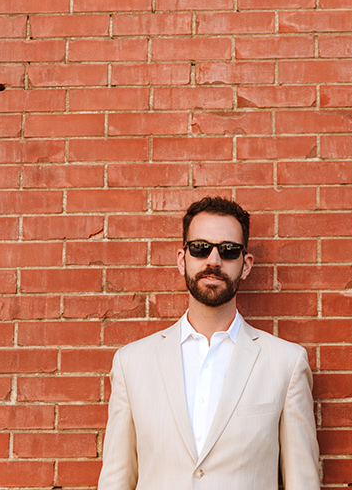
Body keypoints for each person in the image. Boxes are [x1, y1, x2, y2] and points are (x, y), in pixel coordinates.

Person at [97, 196, 320, 490]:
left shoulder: (285, 363)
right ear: (182, 259)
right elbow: (116, 479)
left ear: (246, 264)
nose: (213, 261)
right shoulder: (132, 363)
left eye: (228, 250)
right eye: (200, 248)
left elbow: (302, 482)